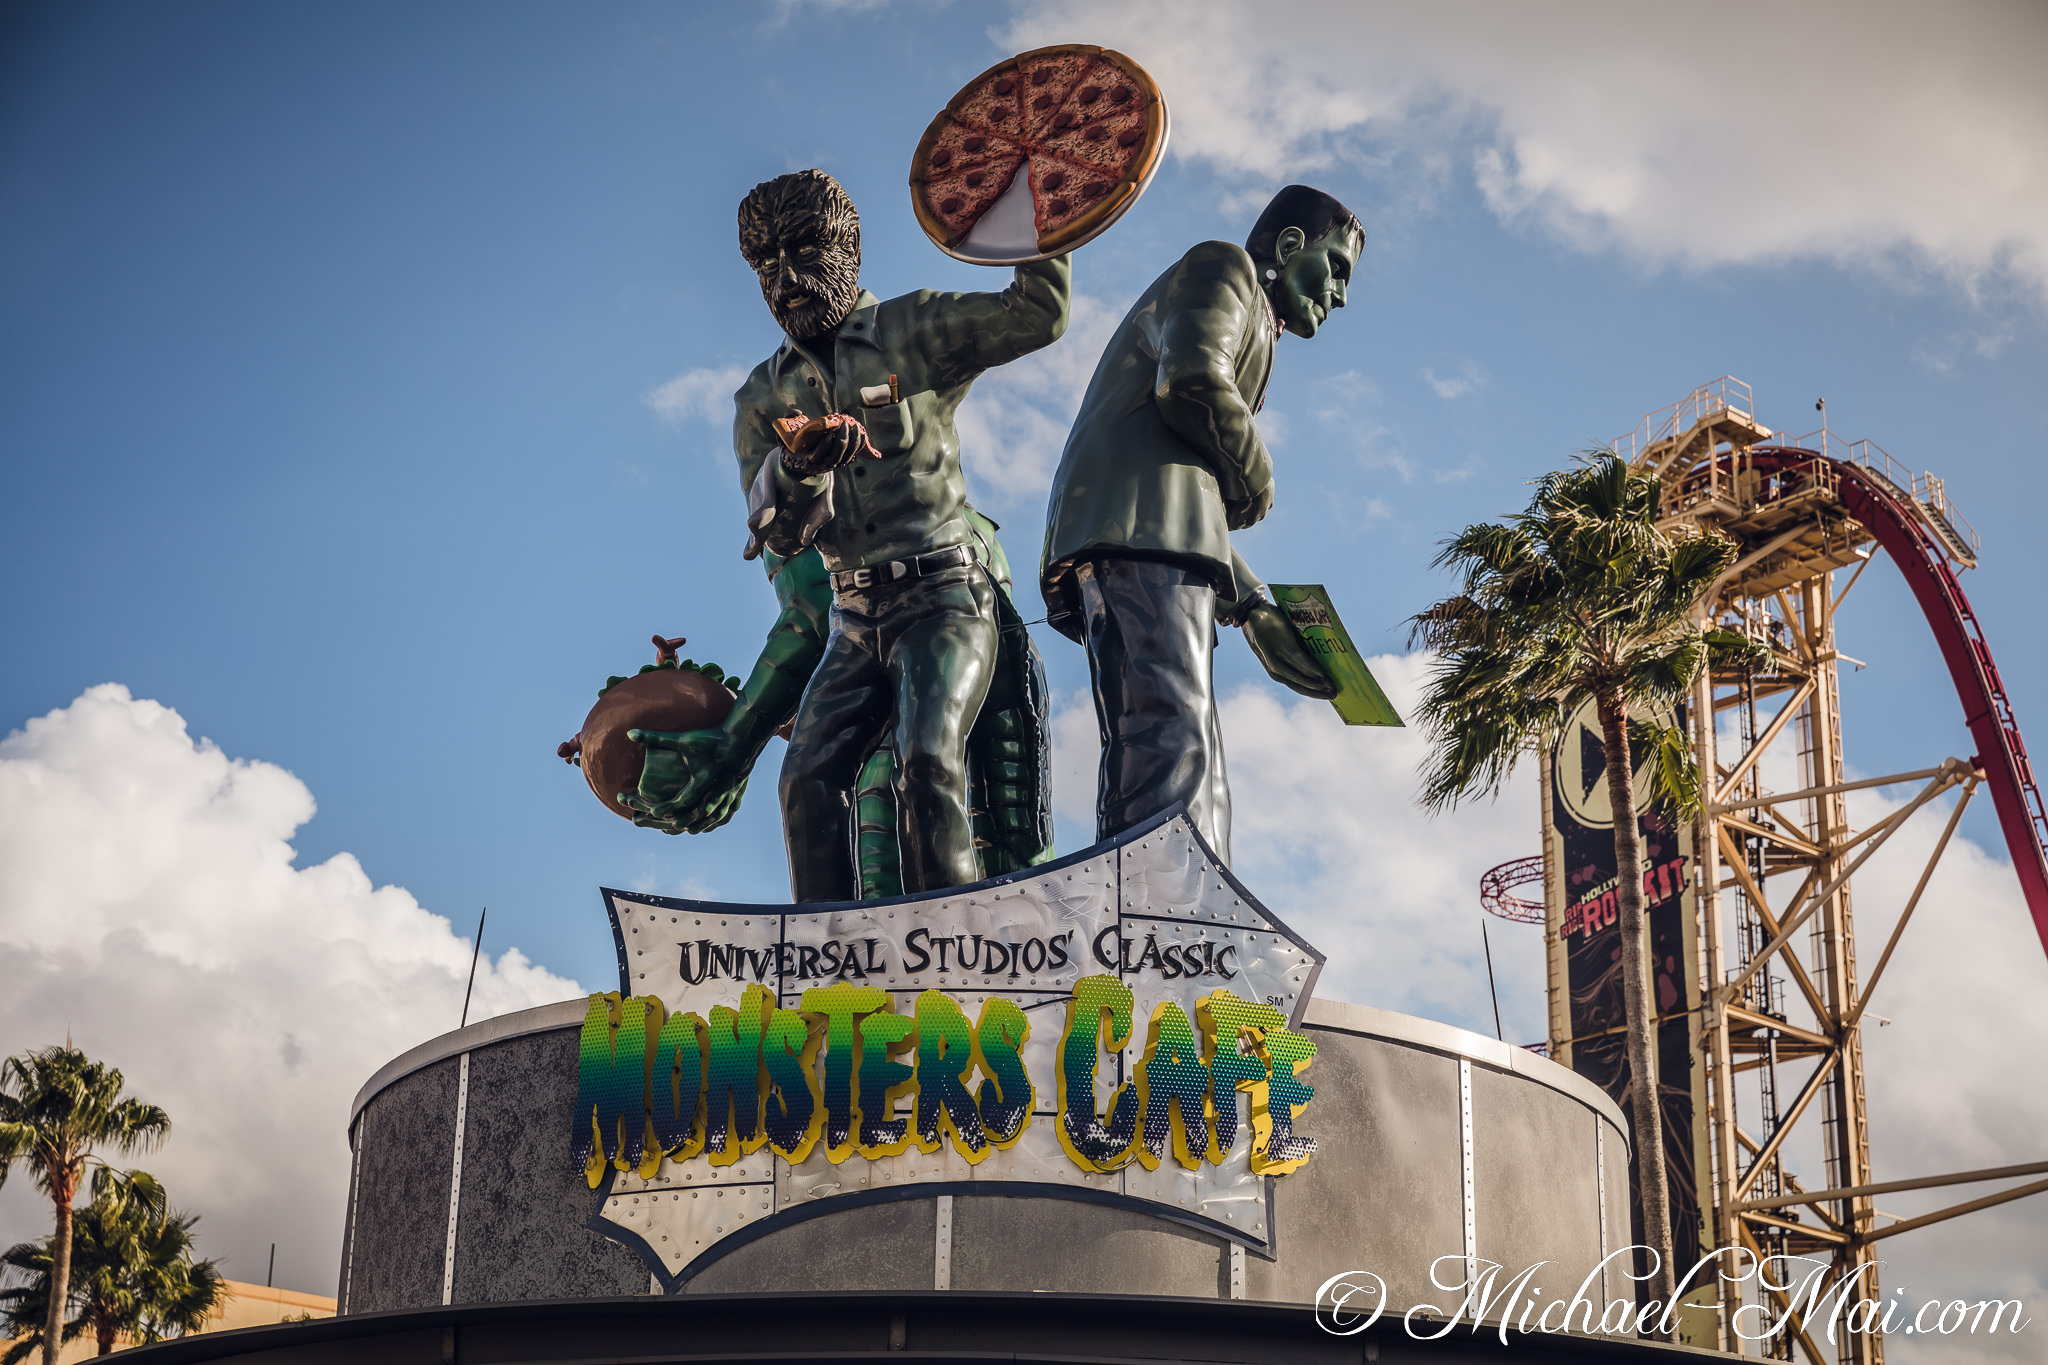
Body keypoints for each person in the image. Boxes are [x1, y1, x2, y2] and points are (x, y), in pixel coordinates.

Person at [652, 170, 1068, 902]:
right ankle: (829, 960)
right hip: (853, 617)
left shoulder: (914, 330)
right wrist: (805, 471)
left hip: (945, 600)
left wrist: (1038, 212)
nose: (785, 282)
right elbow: (780, 539)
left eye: (805, 251)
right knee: (806, 780)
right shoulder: (761, 399)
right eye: (764, 264)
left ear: (848, 250)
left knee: (929, 762)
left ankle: (953, 943)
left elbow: (1036, 313)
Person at [1039, 185, 1362, 863]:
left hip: (1156, 538)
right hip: (1133, 535)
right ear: (1292, 246)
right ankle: (1164, 927)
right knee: (1170, 739)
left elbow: (1188, 492)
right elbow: (1190, 379)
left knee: (1190, 744)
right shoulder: (1226, 268)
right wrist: (1257, 473)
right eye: (1337, 269)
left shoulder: (1252, 313)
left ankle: (1191, 916)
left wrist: (1251, 609)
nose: (1340, 297)